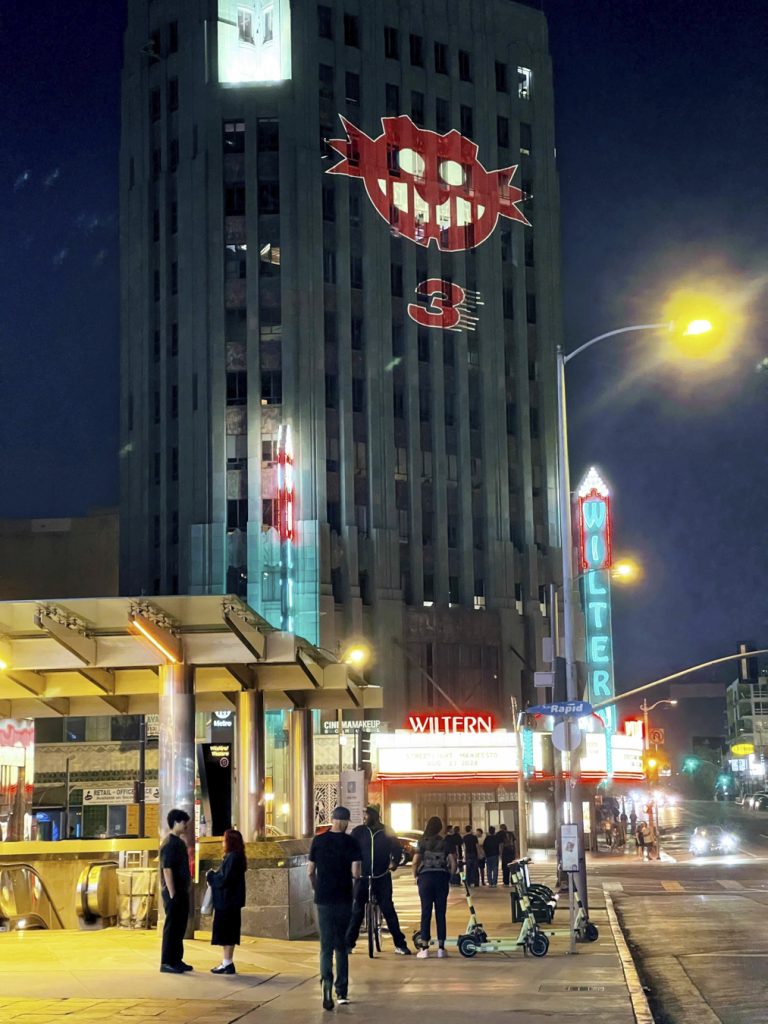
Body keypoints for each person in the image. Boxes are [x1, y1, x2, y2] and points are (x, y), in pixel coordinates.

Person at [309, 806, 361, 1010]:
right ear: (346, 821)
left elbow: (310, 871)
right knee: (341, 946)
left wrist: (317, 888)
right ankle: (342, 992)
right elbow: (356, 872)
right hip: (344, 899)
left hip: (323, 899)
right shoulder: (351, 842)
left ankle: (326, 983)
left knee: (325, 946)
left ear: (332, 820)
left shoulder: (318, 840)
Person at [346, 806, 411, 955]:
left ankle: (400, 944)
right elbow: (349, 849)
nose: (364, 817)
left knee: (388, 909)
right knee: (357, 910)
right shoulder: (358, 832)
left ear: (375, 816)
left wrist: (394, 862)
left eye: (366, 814)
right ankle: (349, 944)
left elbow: (397, 849)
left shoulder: (387, 832)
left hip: (382, 877)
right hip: (362, 878)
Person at [413, 816, 456, 959]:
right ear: (440, 828)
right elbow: (453, 862)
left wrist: (416, 875)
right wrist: (449, 874)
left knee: (425, 912)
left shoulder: (422, 842)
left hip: (425, 878)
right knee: (440, 913)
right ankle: (441, 948)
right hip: (441, 878)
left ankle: (424, 948)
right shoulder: (445, 843)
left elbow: (415, 861)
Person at [206, 828, 247, 975]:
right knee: (230, 932)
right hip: (232, 901)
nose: (222, 842)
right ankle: (226, 961)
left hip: (227, 901)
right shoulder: (238, 857)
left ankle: (227, 962)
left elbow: (225, 879)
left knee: (227, 933)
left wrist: (210, 876)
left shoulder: (232, 858)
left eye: (224, 839)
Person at [159, 808, 193, 973]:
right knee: (172, 928)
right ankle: (167, 961)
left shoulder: (178, 842)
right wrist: (172, 894)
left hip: (181, 891)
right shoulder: (170, 843)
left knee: (180, 926)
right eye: (184, 822)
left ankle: (177, 960)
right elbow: (167, 869)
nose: (186, 825)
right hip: (174, 893)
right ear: (176, 822)